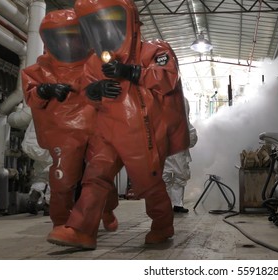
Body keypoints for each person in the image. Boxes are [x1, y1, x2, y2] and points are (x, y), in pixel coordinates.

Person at [46, 0, 189, 249]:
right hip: (107, 129)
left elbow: (167, 79)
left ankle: (162, 224)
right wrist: (96, 88)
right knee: (95, 177)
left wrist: (132, 72)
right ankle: (81, 230)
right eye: (97, 24)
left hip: (142, 129)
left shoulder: (154, 50)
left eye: (111, 21)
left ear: (130, 22)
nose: (105, 30)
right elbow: (86, 91)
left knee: (149, 182)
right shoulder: (94, 62)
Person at [21, 9, 120, 233]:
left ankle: (106, 210)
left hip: (98, 128)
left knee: (100, 176)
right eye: (62, 36)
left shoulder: (99, 63)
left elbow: (119, 91)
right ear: (49, 39)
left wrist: (106, 88)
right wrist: (44, 90)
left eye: (73, 35)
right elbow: (31, 97)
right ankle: (61, 223)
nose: (68, 42)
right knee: (62, 181)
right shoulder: (38, 70)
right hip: (64, 133)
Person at [163, 98, 198, 213]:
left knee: (180, 177)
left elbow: (191, 135)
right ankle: (166, 204)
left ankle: (177, 204)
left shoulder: (181, 100)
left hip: (177, 152)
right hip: (167, 151)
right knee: (165, 177)